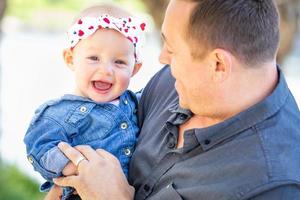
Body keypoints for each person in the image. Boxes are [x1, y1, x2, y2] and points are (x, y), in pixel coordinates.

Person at [48, 0, 300, 199]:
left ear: (218, 64)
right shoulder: (174, 81)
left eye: (172, 48)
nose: (162, 58)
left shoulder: (274, 185)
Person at [23, 4, 146, 200]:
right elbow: (40, 147)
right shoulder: (58, 113)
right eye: (94, 58)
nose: (106, 70)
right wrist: (76, 167)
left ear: (135, 69)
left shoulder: (137, 102)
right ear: (71, 59)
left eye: (119, 62)